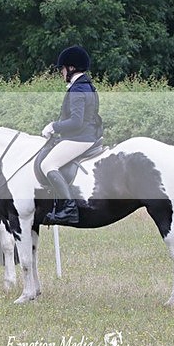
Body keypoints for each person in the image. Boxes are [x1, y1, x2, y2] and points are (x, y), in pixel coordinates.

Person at [40, 45, 103, 225]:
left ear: (71, 68)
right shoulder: (88, 86)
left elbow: (76, 122)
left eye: (62, 68)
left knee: (48, 164)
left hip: (81, 137)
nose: (61, 72)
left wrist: (54, 126)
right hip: (87, 135)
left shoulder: (77, 89)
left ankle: (69, 209)